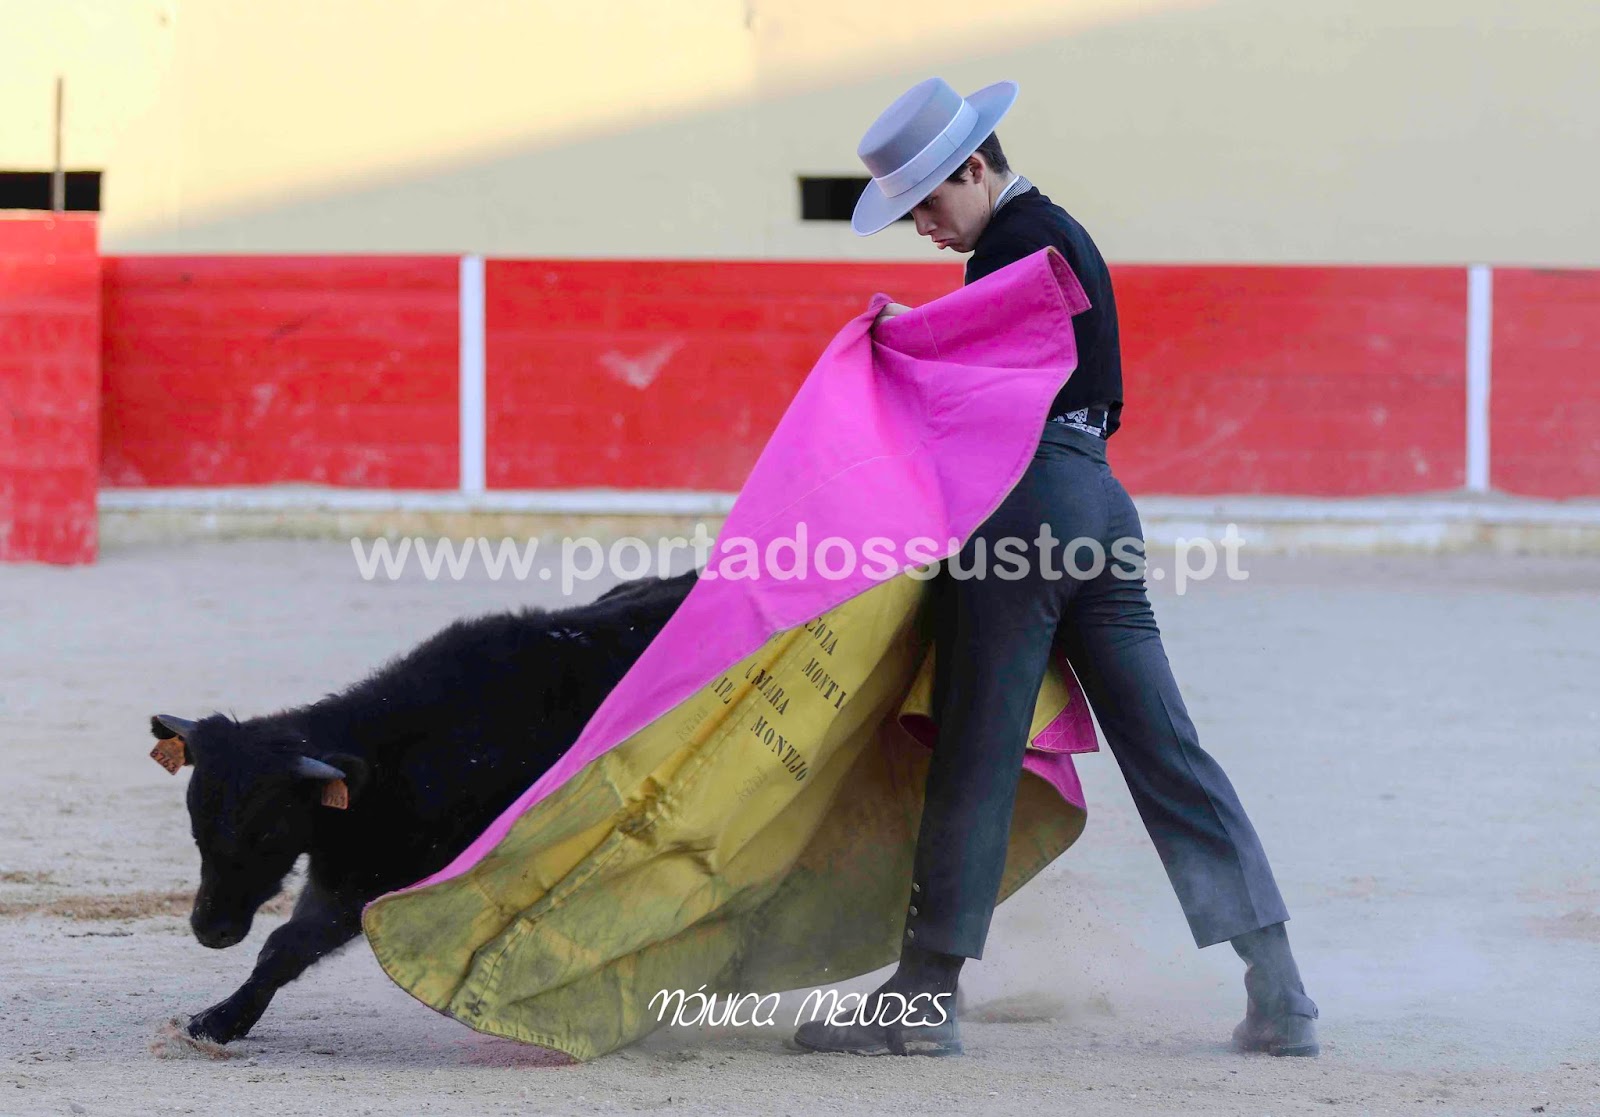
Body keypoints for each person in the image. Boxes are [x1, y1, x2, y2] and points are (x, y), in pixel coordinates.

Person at [793, 77, 1319, 1059]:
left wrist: (887, 339)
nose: (923, 226)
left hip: (1024, 506)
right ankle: (1280, 986)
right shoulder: (1061, 233)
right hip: (1099, 507)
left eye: (927, 203)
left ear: (974, 166)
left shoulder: (1011, 247)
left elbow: (966, 388)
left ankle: (923, 997)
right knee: (1165, 747)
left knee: (975, 746)